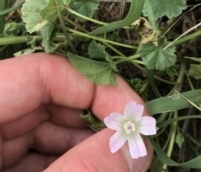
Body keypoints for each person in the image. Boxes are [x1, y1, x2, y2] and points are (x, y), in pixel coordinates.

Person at [0, 53, 153, 172]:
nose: (129, 127)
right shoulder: (117, 122)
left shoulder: (133, 117)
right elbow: (114, 130)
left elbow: (139, 116)